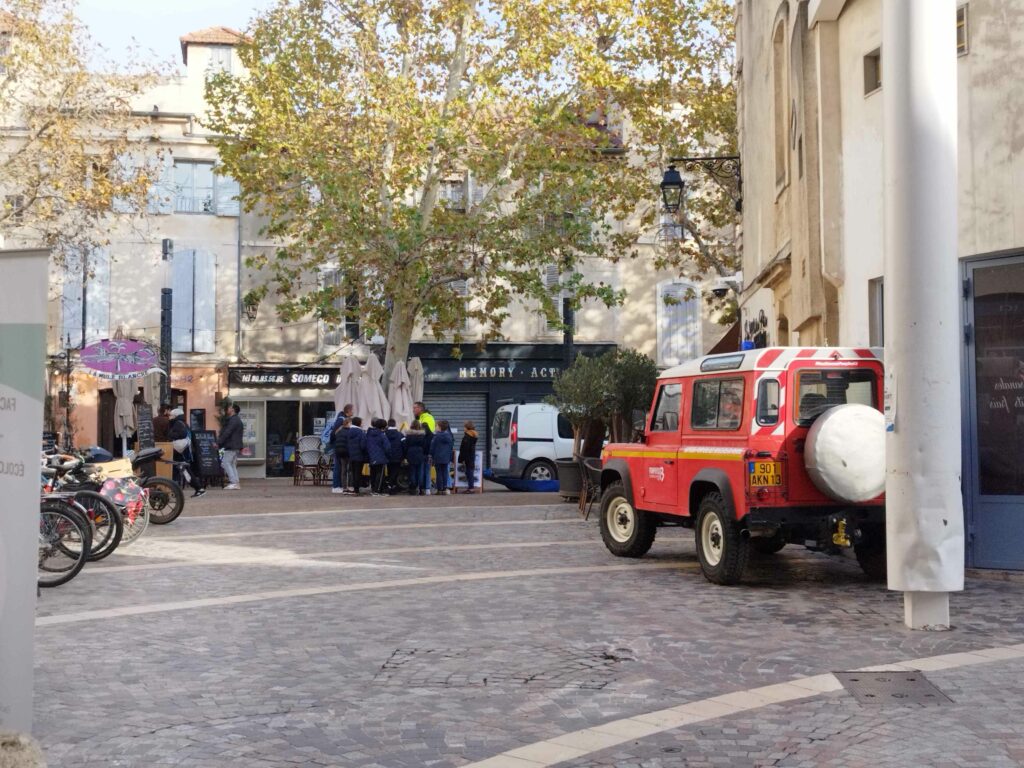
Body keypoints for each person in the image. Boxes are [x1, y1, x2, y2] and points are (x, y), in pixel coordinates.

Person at [168, 407, 205, 497]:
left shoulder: (177, 423)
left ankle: (199, 488)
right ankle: (176, 491)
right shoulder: (184, 423)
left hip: (181, 452)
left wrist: (170, 435)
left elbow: (181, 434)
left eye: (171, 415)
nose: (169, 417)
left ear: (175, 416)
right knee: (182, 470)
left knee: (184, 470)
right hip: (185, 451)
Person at [216, 404, 244, 490]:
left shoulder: (233, 420)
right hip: (236, 446)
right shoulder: (237, 420)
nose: (227, 409)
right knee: (232, 464)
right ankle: (236, 482)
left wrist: (219, 442)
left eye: (229, 408)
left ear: (232, 410)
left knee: (225, 463)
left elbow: (227, 432)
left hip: (231, 445)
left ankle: (234, 482)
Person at [413, 402, 435, 494]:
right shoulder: (421, 418)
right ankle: (424, 488)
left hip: (426, 449)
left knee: (425, 470)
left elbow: (427, 434)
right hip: (424, 449)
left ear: (420, 409)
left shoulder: (427, 418)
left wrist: (411, 433)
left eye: (415, 408)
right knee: (423, 469)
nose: (413, 410)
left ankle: (425, 488)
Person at [402, 421, 427, 496]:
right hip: (420, 453)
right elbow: (425, 446)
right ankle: (421, 489)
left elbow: (405, 446)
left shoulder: (408, 436)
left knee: (412, 471)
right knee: (421, 472)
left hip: (411, 454)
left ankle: (413, 488)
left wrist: (405, 455)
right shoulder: (422, 435)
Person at [366, 418, 389, 496]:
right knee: (380, 474)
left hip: (371, 456)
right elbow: (387, 447)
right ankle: (377, 490)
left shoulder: (369, 434)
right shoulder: (382, 435)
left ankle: (373, 489)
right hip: (381, 457)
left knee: (373, 473)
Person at [430, 419, 454, 495]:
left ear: (439, 427)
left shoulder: (436, 436)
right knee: (445, 472)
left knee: (439, 473)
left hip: (438, 457)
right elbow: (450, 447)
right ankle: (444, 487)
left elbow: (432, 447)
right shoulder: (449, 436)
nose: (436, 427)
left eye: (436, 426)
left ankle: (439, 489)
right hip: (446, 457)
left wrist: (431, 455)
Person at [331, 417, 353, 494]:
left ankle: (344, 487)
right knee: (349, 470)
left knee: (343, 470)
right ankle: (350, 486)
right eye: (351, 423)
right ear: (348, 423)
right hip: (347, 452)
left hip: (339, 452)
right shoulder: (349, 432)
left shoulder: (339, 431)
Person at [347, 416, 367, 495]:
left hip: (351, 455)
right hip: (359, 455)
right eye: (361, 422)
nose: (362, 424)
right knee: (358, 472)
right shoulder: (361, 432)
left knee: (353, 472)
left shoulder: (349, 431)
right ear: (359, 423)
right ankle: (357, 489)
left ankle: (354, 488)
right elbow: (363, 445)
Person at [385, 418, 404, 495]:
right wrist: (403, 455)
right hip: (398, 456)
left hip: (388, 456)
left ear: (388, 424)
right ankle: (392, 485)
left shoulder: (385, 434)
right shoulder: (400, 434)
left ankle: (390, 485)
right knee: (395, 471)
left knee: (389, 471)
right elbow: (404, 446)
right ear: (395, 424)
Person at [459, 420, 479, 492]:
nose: (463, 428)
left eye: (464, 427)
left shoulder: (467, 436)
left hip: (468, 457)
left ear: (467, 427)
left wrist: (462, 458)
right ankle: (471, 487)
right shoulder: (473, 435)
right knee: (470, 471)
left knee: (469, 472)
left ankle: (471, 488)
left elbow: (465, 449)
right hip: (471, 456)